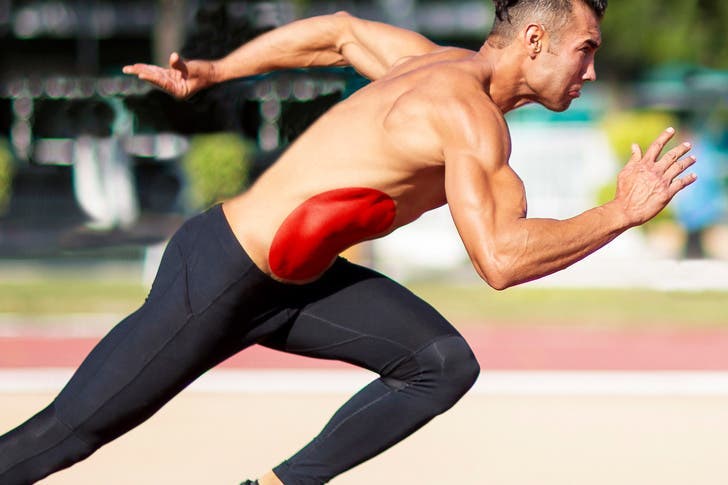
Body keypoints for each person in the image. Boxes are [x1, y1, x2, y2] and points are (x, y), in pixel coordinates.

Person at [0, 1, 697, 484]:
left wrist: (218, 70)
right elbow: (500, 258)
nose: (592, 72)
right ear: (536, 42)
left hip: (294, 287)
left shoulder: (430, 63)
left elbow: (336, 33)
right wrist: (620, 213)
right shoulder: (464, 112)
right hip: (219, 272)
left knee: (441, 361)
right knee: (67, 433)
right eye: (586, 51)